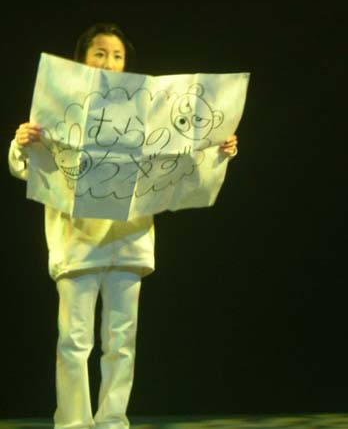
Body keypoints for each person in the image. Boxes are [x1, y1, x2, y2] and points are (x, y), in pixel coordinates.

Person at [9, 22, 239, 429]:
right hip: (77, 240)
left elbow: (178, 155)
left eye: (117, 56)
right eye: (100, 53)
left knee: (121, 341)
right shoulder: (59, 106)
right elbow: (29, 169)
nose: (109, 62)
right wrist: (22, 143)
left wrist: (218, 147)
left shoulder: (149, 109)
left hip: (130, 238)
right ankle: (74, 423)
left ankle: (114, 420)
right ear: (82, 59)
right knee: (74, 341)